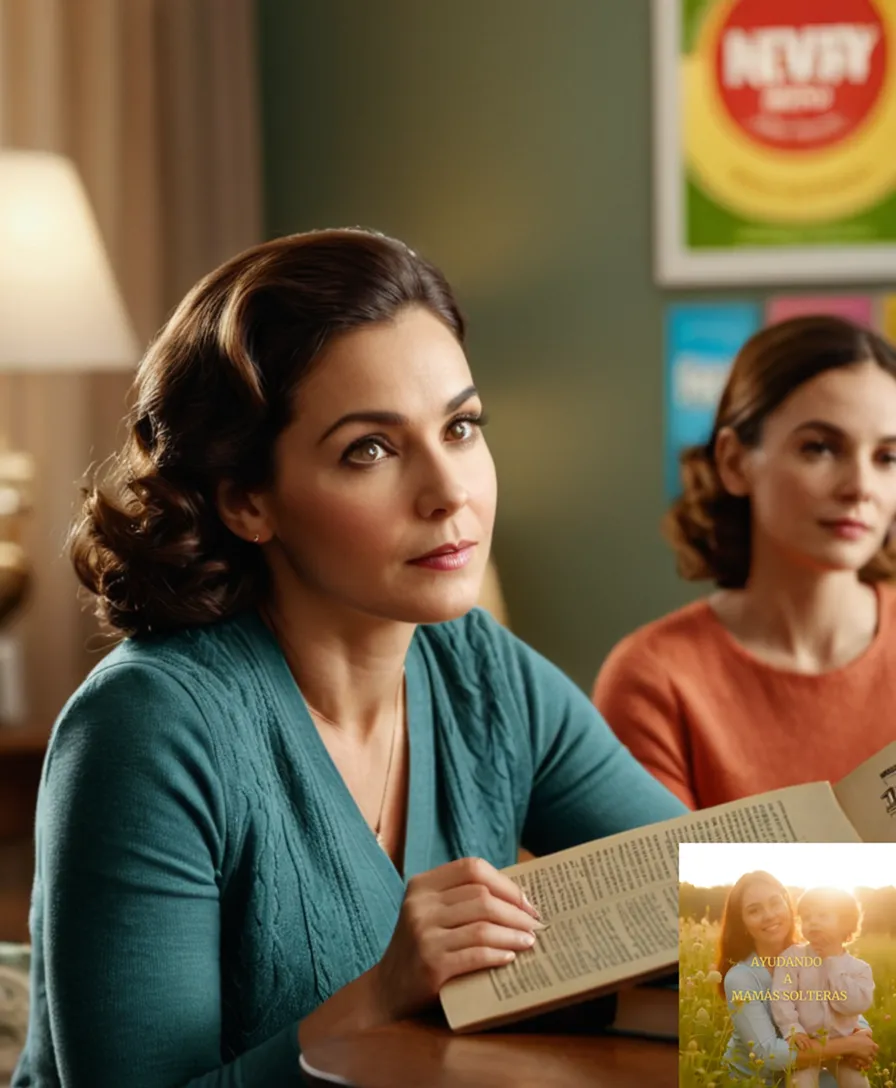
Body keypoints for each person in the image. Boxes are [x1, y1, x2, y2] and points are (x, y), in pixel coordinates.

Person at [12, 228, 687, 1087]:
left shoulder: (482, 670)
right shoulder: (146, 727)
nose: (449, 492)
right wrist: (379, 998)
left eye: (463, 427)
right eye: (370, 448)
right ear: (248, 501)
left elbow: (702, 897)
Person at [593, 316, 896, 808]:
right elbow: (663, 883)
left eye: (888, 458)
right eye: (819, 448)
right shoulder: (653, 678)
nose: (860, 487)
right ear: (734, 462)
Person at [716, 871, 877, 1085]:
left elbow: (844, 1007)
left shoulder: (816, 954)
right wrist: (849, 1045)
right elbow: (768, 1054)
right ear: (742, 923)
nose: (769, 915)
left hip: (814, 1063)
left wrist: (862, 1033)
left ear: (788, 906)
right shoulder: (741, 978)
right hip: (758, 1079)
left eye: (775, 903)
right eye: (754, 910)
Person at [770, 887, 874, 1088]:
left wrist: (832, 962)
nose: (813, 922)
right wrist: (793, 1030)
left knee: (857, 1083)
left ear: (845, 923)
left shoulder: (859, 969)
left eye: (822, 915)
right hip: (807, 1044)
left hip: (844, 1048)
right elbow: (781, 997)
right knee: (801, 1083)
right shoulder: (792, 958)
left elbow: (852, 1005)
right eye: (807, 917)